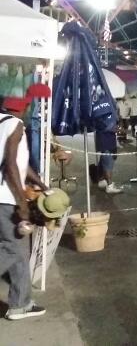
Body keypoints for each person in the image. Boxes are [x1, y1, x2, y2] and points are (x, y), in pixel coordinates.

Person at [0, 94, 47, 320]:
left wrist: (40, 183)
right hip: (6, 198)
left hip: (3, 197)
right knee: (12, 249)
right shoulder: (16, 124)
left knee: (20, 251)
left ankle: (20, 304)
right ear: (21, 109)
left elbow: (20, 162)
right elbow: (10, 165)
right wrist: (21, 201)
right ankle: (20, 303)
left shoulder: (1, 123)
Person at [92, 94, 123, 195]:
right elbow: (108, 126)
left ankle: (102, 180)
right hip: (105, 139)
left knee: (107, 159)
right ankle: (109, 185)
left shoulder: (103, 111)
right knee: (108, 161)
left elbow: (115, 122)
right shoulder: (103, 112)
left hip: (107, 138)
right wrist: (117, 129)